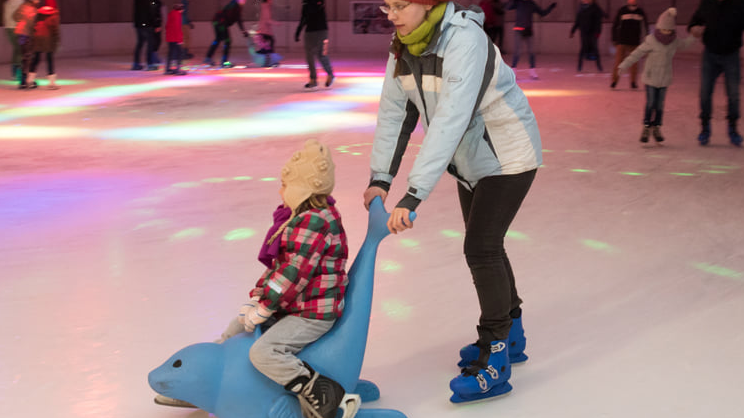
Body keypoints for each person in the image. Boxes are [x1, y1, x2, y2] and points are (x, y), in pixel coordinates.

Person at [370, 0, 542, 404]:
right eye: (386, 5)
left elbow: (451, 119)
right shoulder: (404, 44)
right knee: (488, 246)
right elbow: (395, 111)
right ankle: (511, 335)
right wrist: (380, 178)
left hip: (508, 155)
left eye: (398, 5)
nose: (390, 14)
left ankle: (496, 355)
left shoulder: (465, 40)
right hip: (469, 160)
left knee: (480, 248)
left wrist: (413, 194)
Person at [237, 139, 359, 418]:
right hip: (298, 304)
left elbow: (293, 275)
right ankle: (213, 371)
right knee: (238, 327)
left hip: (312, 313)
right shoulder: (302, 216)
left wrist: (266, 306)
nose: (280, 190)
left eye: (284, 184)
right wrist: (258, 298)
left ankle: (321, 392)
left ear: (302, 189)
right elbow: (283, 268)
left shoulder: (313, 221)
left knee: (264, 352)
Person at [617, 8, 698, 143]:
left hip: (664, 79)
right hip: (650, 78)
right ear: (659, 28)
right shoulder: (651, 41)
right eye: (663, 29)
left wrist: (694, 36)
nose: (666, 33)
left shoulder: (674, 41)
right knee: (650, 104)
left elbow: (685, 44)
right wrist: (623, 65)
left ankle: (657, 127)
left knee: (659, 105)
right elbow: (636, 53)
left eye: (669, 30)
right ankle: (647, 127)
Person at [688, 0, 744, 146]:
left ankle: (733, 128)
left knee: (733, 95)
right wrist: (694, 28)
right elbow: (694, 22)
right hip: (710, 55)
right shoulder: (707, 3)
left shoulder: (738, 4)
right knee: (705, 93)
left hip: (731, 55)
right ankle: (705, 128)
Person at [505, 0, 556, 79]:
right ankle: (513, 71)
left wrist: (551, 7)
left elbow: (542, 13)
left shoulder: (531, 4)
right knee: (517, 52)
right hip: (519, 30)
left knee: (531, 52)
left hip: (528, 31)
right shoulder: (518, 2)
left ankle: (532, 72)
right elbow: (507, 7)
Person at [295, 0, 334, 89]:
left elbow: (306, 16)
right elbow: (304, 17)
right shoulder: (305, 2)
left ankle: (330, 74)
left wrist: (298, 30)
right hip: (310, 31)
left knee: (322, 54)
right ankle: (313, 79)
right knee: (309, 56)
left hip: (322, 31)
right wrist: (298, 31)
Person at [610, 0, 648, 89]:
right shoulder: (622, 10)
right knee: (619, 62)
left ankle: (633, 82)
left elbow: (645, 26)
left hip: (635, 42)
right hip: (622, 41)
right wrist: (614, 39)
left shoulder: (640, 12)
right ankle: (614, 81)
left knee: (634, 63)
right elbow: (615, 25)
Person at [204, 0, 249, 68]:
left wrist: (243, 31)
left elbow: (237, 18)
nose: (244, 1)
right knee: (227, 41)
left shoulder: (234, 4)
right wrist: (243, 31)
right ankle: (224, 62)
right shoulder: (235, 5)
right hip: (221, 22)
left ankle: (208, 58)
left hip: (216, 21)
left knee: (218, 39)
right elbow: (237, 18)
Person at [29, 0, 60, 89]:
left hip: (38, 38)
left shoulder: (39, 13)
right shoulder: (54, 14)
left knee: (36, 59)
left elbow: (33, 26)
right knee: (50, 59)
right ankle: (52, 83)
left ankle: (30, 80)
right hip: (48, 39)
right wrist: (57, 41)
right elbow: (55, 30)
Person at [570, 0, 605, 72]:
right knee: (583, 48)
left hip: (592, 32)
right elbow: (577, 21)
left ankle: (599, 66)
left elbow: (598, 20)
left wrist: (598, 31)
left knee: (595, 49)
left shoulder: (595, 8)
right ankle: (579, 66)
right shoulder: (580, 9)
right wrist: (573, 31)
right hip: (584, 32)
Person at [13, 0, 38, 89]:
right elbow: (31, 23)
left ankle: (23, 81)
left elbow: (15, 16)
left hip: (20, 33)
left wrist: (22, 19)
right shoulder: (32, 8)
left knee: (24, 56)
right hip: (27, 34)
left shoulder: (23, 6)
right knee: (29, 57)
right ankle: (27, 80)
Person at [132, 0, 162, 71]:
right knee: (150, 44)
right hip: (148, 24)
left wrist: (137, 23)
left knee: (140, 43)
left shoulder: (137, 1)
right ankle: (150, 64)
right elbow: (154, 11)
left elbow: (136, 12)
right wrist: (157, 24)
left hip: (139, 24)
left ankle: (136, 63)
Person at [3, 0, 24, 81]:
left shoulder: (7, 3)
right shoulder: (21, 2)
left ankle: (14, 73)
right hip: (17, 28)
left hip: (8, 28)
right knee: (20, 50)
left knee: (16, 49)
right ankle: (19, 73)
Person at [164, 2, 186, 75]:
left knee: (171, 53)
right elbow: (177, 28)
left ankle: (167, 69)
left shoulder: (171, 14)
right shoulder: (177, 15)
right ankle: (178, 69)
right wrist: (180, 40)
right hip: (175, 38)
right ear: (181, 9)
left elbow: (167, 26)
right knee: (180, 53)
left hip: (170, 37)